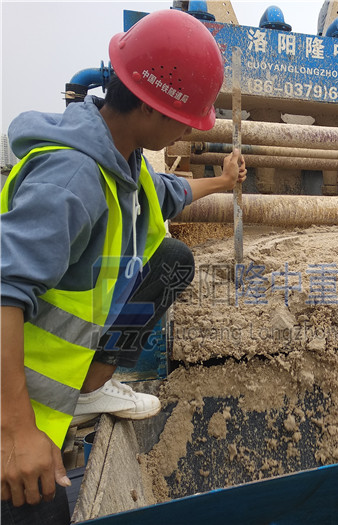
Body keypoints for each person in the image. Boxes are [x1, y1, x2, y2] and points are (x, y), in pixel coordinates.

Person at [1, 9, 245, 524]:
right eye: (184, 118)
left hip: (55, 382)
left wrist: (223, 182)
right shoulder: (72, 179)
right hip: (15, 400)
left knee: (172, 259)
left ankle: (91, 387)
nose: (187, 129)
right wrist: (17, 431)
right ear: (152, 109)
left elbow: (171, 192)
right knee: (40, 512)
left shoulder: (123, 162)